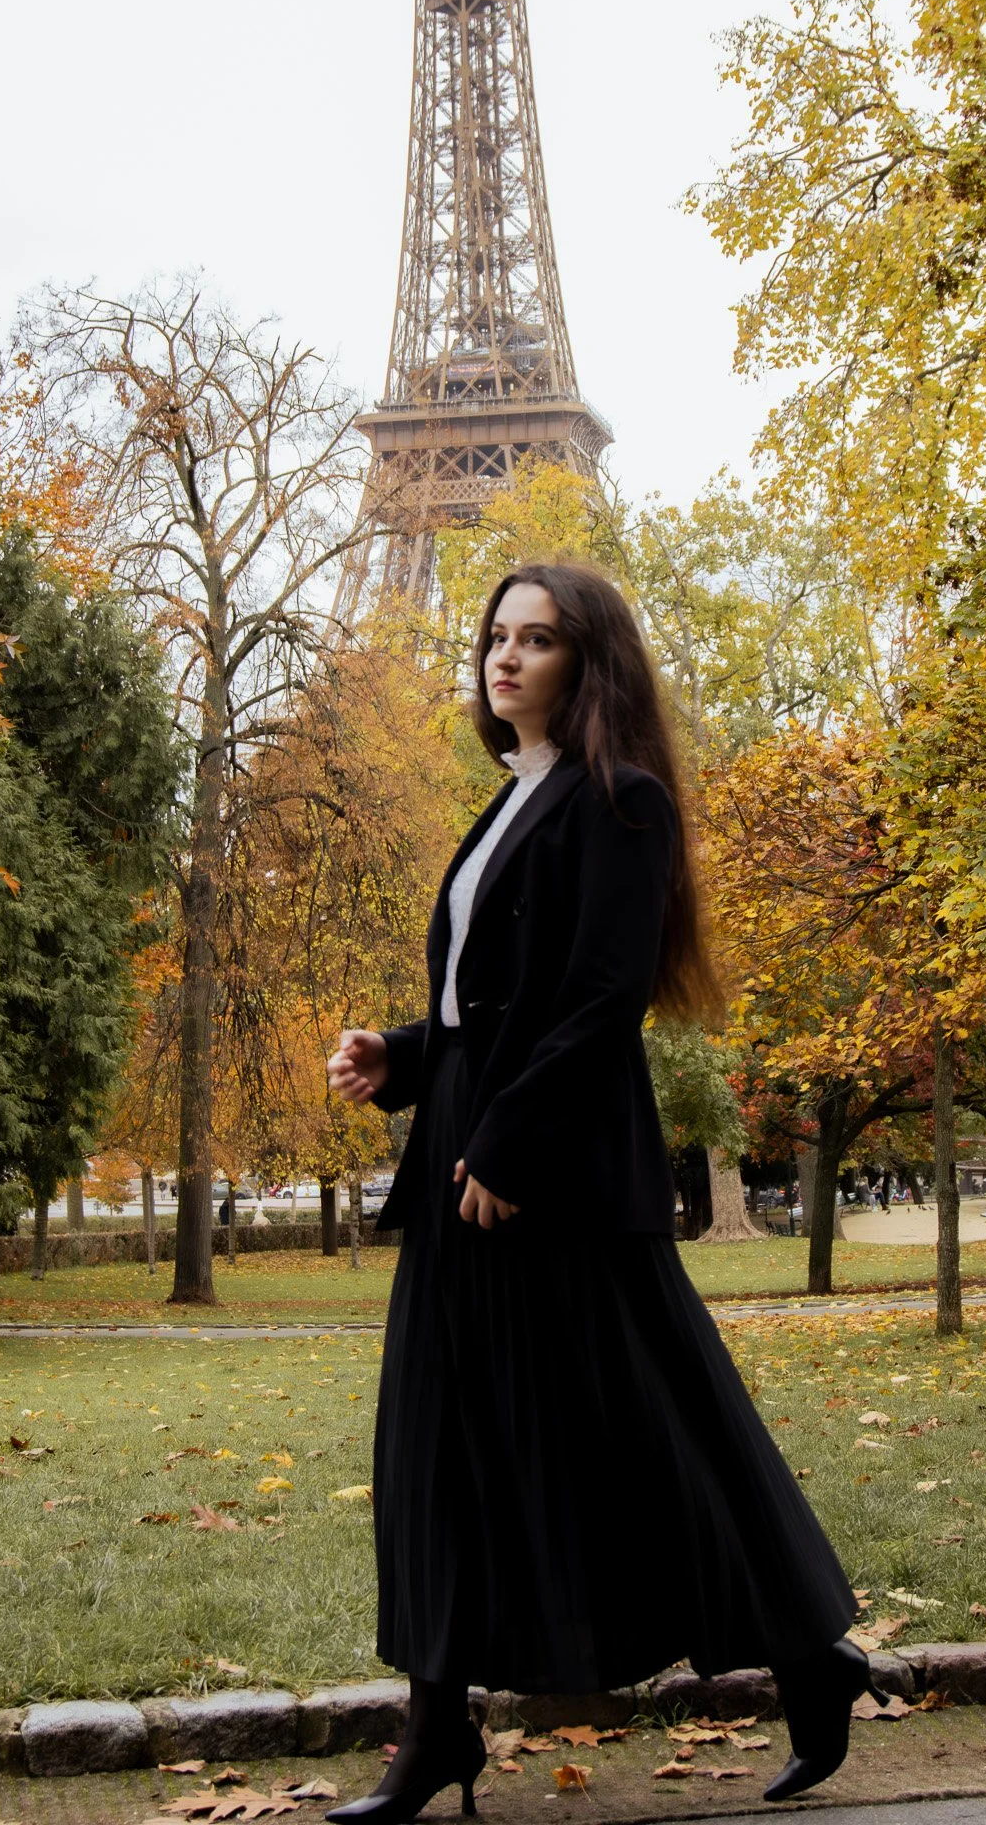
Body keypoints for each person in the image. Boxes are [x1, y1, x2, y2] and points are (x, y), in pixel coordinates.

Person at [325, 564, 873, 1818]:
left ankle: (810, 1656)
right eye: (494, 638)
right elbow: (492, 999)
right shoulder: (508, 802)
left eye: (537, 640)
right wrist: (403, 1056)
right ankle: (436, 1724)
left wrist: (511, 1146)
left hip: (545, 1164)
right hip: (472, 1138)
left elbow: (598, 994)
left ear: (590, 663)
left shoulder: (619, 802)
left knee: (653, 1424)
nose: (503, 659)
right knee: (437, 1443)